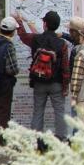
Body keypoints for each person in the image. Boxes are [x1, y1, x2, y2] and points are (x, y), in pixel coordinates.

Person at [16, 11, 72, 142]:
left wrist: (19, 21)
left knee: (38, 111)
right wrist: (65, 86)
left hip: (39, 82)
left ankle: (36, 141)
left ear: (45, 24)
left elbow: (23, 36)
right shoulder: (62, 44)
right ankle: (61, 140)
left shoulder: (36, 39)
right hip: (56, 83)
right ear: (57, 25)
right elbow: (65, 67)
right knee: (59, 112)